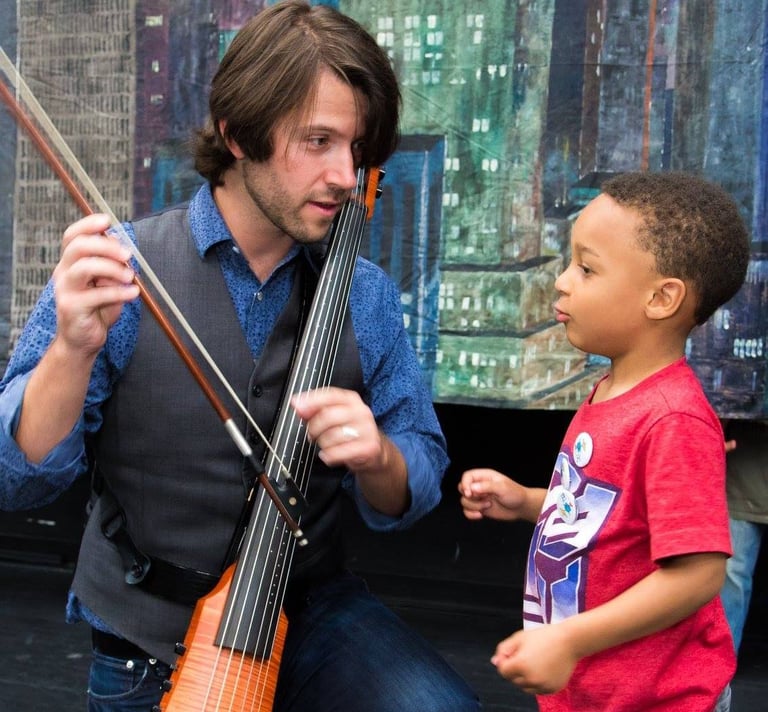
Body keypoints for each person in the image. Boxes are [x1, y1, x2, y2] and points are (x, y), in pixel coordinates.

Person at [0, 2, 480, 711]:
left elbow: (415, 485)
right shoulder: (124, 269)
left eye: (357, 149)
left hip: (310, 607)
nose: (346, 176)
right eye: (318, 141)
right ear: (238, 133)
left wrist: (380, 457)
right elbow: (16, 483)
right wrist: (71, 350)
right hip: (147, 631)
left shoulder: (366, 295)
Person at [459, 171, 750, 711]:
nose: (563, 281)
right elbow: (606, 519)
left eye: (587, 268)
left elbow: (699, 571)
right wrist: (525, 501)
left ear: (661, 298)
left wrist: (568, 639)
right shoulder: (611, 391)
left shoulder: (673, 420)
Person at [720, 419, 768, 653]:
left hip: (745, 471)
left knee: (732, 574)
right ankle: (719, 669)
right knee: (730, 574)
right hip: (745, 475)